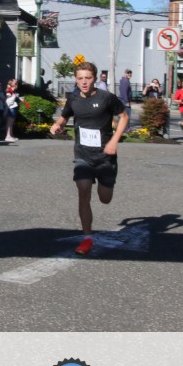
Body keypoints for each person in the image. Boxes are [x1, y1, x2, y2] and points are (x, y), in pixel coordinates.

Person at [49, 61, 128, 256]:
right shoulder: (73, 98)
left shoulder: (106, 98)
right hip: (82, 155)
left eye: (88, 78)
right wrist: (58, 125)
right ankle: (87, 238)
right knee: (83, 192)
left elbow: (124, 117)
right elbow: (64, 116)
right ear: (76, 80)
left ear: (95, 79)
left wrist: (114, 141)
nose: (84, 82)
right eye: (80, 78)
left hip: (105, 156)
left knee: (105, 198)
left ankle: (107, 183)